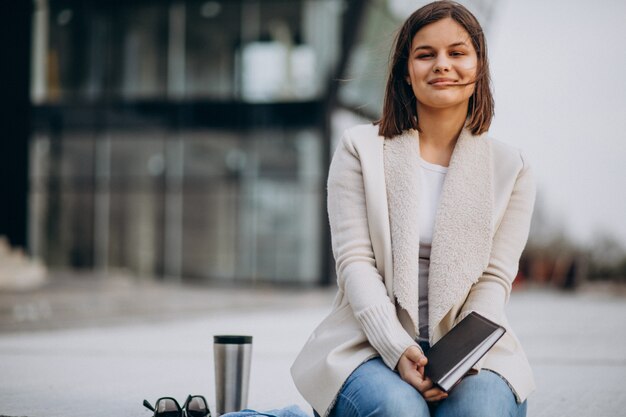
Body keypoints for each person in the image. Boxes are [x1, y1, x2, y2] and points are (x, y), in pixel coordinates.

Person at [291, 1, 536, 417]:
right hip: (366, 342)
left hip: (472, 348)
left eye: (457, 53)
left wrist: (454, 361)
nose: (442, 65)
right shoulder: (359, 150)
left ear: (478, 68)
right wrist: (396, 345)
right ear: (407, 70)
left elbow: (495, 280)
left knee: (479, 410)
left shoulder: (512, 168)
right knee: (399, 410)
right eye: (426, 54)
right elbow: (354, 263)